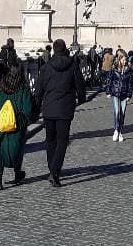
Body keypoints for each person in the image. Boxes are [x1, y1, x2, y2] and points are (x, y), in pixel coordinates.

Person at [33, 38, 87, 187]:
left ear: (54, 50)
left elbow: (38, 89)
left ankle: (52, 168)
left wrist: (37, 107)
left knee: (50, 140)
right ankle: (55, 171)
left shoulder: (46, 67)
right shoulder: (73, 66)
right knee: (62, 141)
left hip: (49, 109)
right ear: (64, 49)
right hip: (65, 109)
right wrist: (81, 99)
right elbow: (80, 86)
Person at [105, 48, 133, 141]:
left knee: (122, 113)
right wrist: (108, 92)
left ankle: (120, 131)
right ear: (119, 59)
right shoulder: (114, 69)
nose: (125, 61)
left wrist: (129, 95)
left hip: (124, 94)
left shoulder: (129, 70)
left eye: (126, 60)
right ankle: (116, 130)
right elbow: (109, 80)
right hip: (115, 93)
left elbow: (131, 84)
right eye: (123, 59)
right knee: (117, 112)